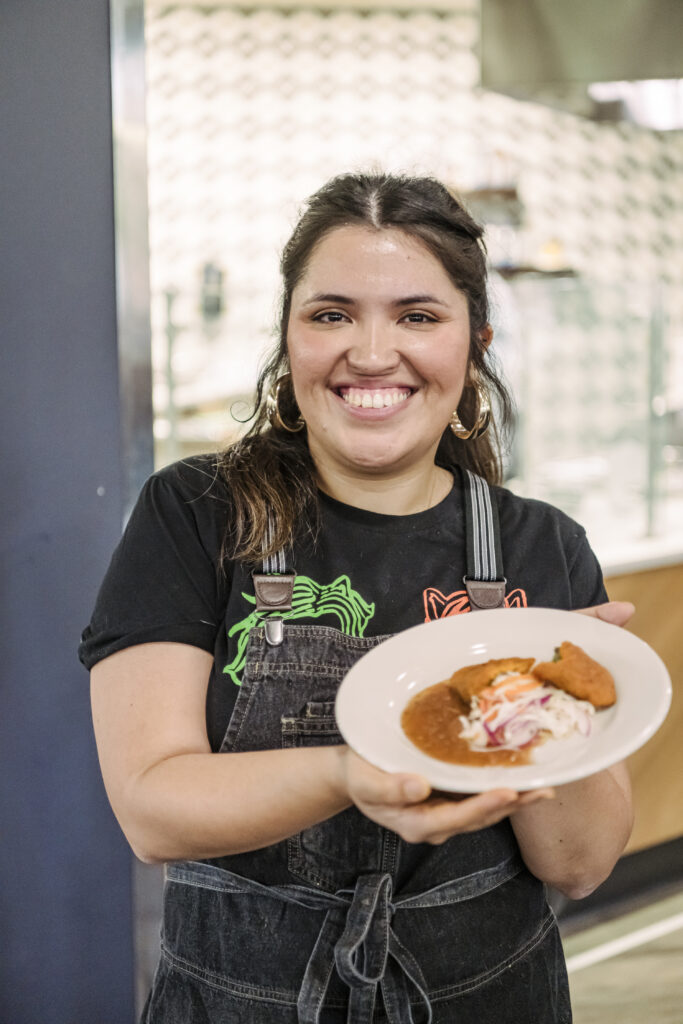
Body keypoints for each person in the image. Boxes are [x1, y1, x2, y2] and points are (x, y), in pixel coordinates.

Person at [80, 172, 634, 1023]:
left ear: (474, 343)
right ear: (290, 338)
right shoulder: (196, 513)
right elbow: (154, 809)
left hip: (488, 997)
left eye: (417, 315)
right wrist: (351, 770)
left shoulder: (541, 547)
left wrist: (551, 708)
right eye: (331, 314)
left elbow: (580, 864)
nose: (372, 353)